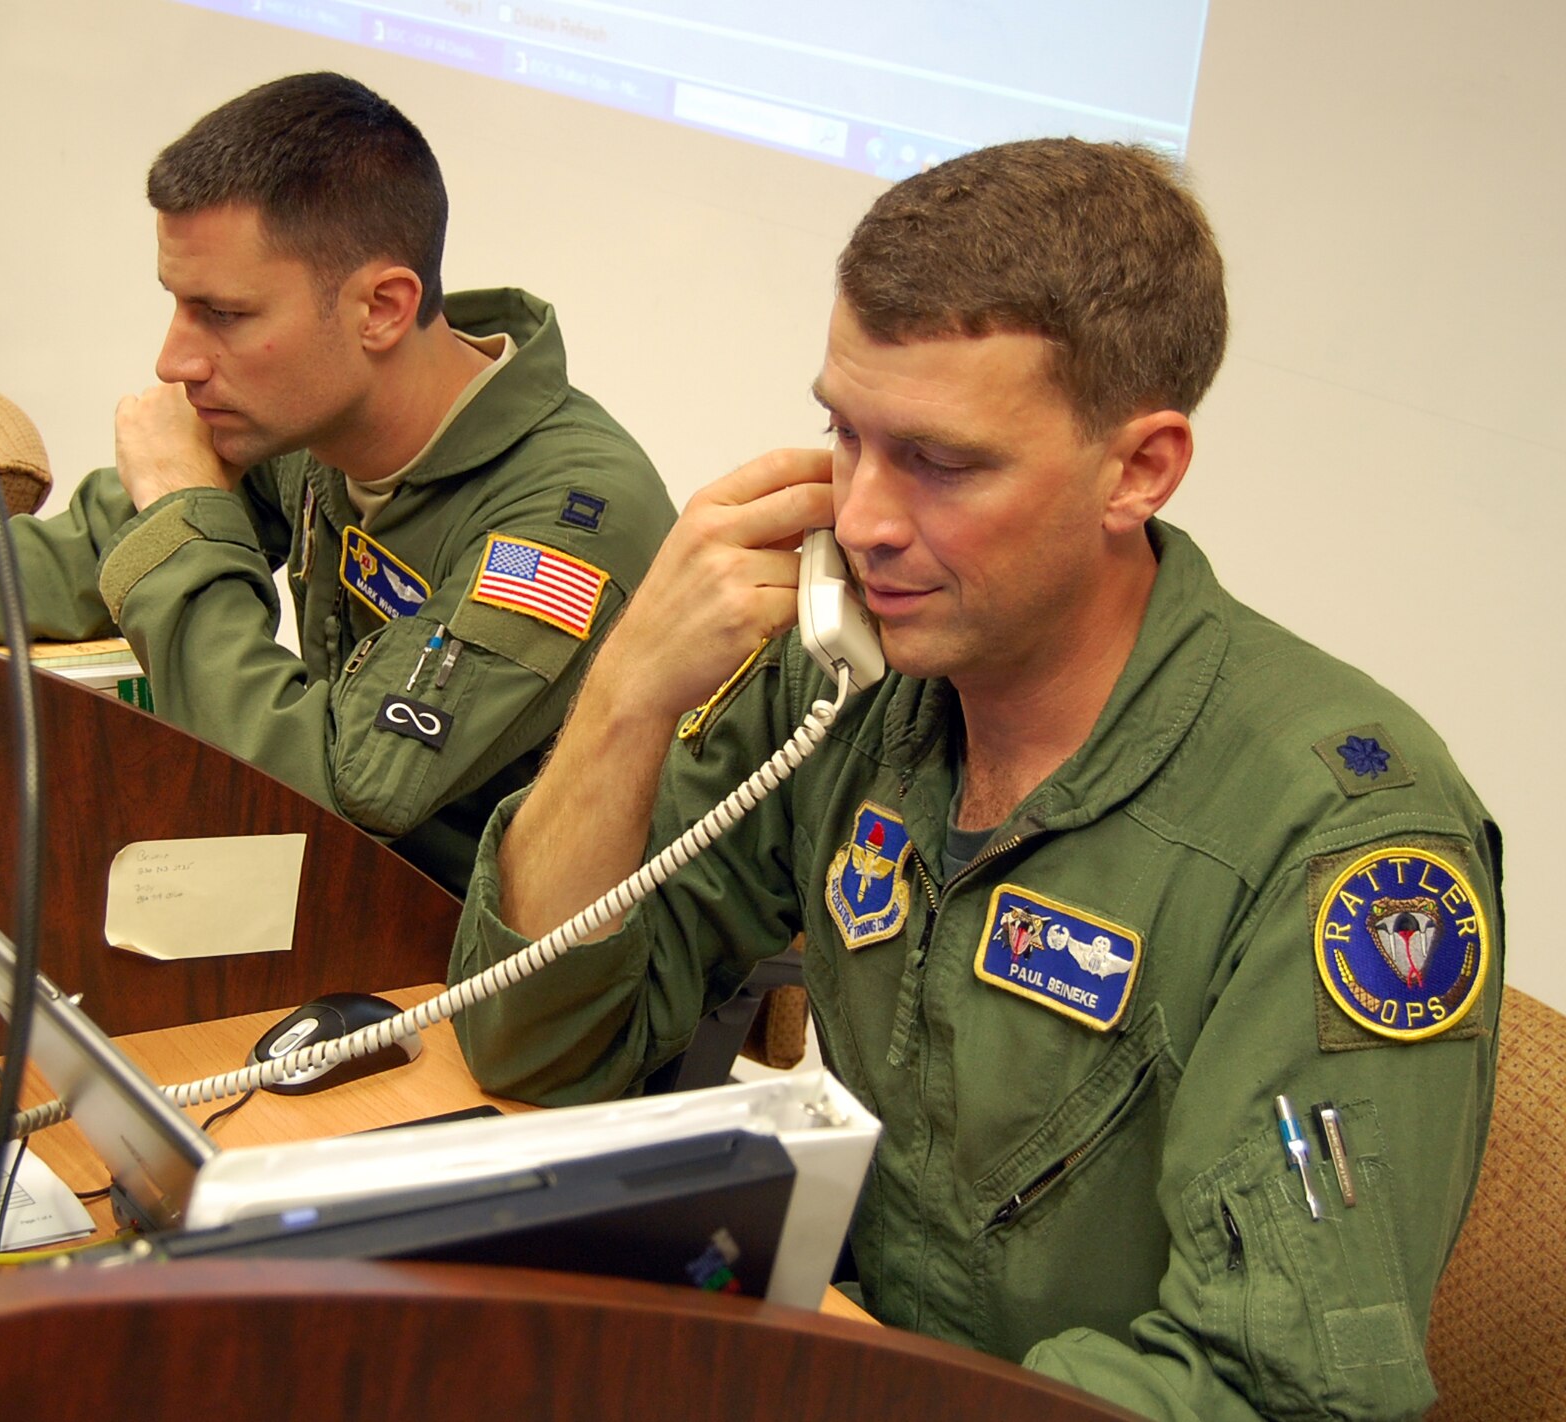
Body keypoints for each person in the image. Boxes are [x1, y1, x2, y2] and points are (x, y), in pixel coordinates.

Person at [450, 139, 1501, 1421]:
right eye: (844, 433)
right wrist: (625, 694)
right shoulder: (850, 681)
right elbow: (536, 1040)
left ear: (1139, 469)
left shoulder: (1339, 838)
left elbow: (1269, 1389)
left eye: (940, 462)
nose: (865, 517)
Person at [0, 73, 674, 894]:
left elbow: (336, 791)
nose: (174, 358)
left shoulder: (564, 523)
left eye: (225, 315)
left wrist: (180, 514)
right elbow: (83, 555)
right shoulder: (313, 415)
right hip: (337, 894)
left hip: (481, 971)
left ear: (382, 308)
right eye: (178, 303)